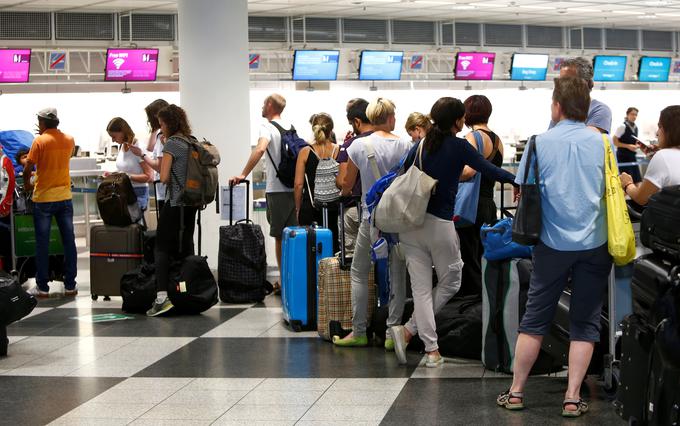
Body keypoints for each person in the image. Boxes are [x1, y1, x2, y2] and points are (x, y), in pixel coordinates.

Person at [496, 77, 611, 418]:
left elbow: (525, 190)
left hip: (550, 242)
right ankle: (573, 397)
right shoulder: (603, 144)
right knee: (585, 321)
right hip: (595, 241)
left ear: (557, 107)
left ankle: (516, 392)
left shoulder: (538, 142)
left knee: (534, 318)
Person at [389, 97, 517, 367]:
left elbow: (399, 173)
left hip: (411, 224)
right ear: (458, 120)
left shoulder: (421, 144)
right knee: (452, 278)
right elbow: (488, 170)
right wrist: (518, 180)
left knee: (421, 289)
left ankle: (428, 348)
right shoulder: (459, 146)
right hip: (440, 224)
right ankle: (412, 333)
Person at [334, 97, 411, 348]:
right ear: (390, 118)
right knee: (397, 273)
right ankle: (392, 334)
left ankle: (358, 332)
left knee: (359, 272)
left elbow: (347, 185)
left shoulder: (358, 146)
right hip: (397, 219)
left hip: (371, 218)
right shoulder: (405, 144)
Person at [229, 94, 297, 295]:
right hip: (293, 188)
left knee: (279, 237)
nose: (261, 106)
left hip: (277, 190)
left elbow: (260, 150)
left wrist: (243, 173)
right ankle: (295, 279)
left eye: (263, 103)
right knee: (293, 235)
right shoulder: (290, 126)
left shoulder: (266, 127)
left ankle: (284, 283)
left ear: (269, 105)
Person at [147, 104, 198, 317]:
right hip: (192, 203)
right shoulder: (191, 141)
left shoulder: (172, 144)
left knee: (161, 248)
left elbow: (165, 176)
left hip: (175, 203)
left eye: (162, 124)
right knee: (186, 246)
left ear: (168, 123)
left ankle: (162, 297)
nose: (161, 128)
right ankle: (189, 291)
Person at [23, 108, 78, 298]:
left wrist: (27, 186)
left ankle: (42, 287)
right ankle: (70, 285)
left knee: (42, 244)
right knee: (69, 241)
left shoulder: (39, 141)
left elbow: (28, 168)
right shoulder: (69, 139)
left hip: (44, 199)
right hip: (64, 198)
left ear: (43, 122)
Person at [457, 95, 505, 297]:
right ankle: (486, 301)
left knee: (468, 257)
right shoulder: (498, 140)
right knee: (483, 254)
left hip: (470, 205)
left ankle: (472, 303)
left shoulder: (472, 137)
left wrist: (450, 174)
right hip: (487, 203)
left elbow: (469, 171)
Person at [294, 113, 340, 253]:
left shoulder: (305, 152)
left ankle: (311, 275)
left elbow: (298, 184)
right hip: (334, 209)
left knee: (310, 249)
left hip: (310, 208)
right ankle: (330, 275)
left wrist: (298, 209)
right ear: (331, 130)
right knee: (332, 249)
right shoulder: (339, 150)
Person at [620, 105, 680, 205]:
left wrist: (627, 184)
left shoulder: (663, 156)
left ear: (671, 130)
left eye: (660, 127)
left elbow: (641, 198)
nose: (657, 133)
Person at [336, 99, 374, 255]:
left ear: (357, 122)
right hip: (382, 210)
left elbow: (344, 181)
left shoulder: (350, 145)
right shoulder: (389, 141)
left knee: (352, 258)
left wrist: (342, 188)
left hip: (355, 208)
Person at [550, 57, 612, 134]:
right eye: (561, 80)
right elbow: (550, 137)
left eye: (567, 80)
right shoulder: (560, 107)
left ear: (584, 83)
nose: (562, 84)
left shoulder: (600, 110)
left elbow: (587, 139)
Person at [105, 117, 153, 211]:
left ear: (122, 132)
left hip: (137, 194)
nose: (113, 140)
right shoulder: (122, 146)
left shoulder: (139, 148)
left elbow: (150, 177)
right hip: (123, 192)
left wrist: (126, 176)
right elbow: (124, 171)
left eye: (114, 136)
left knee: (132, 224)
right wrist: (113, 175)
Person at [130, 99, 170, 210]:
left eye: (150, 118)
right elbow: (150, 147)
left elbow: (159, 167)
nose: (148, 120)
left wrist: (142, 155)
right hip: (163, 190)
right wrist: (155, 128)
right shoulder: (160, 135)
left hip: (165, 191)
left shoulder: (164, 138)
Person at [613, 107, 641, 183]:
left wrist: (637, 146)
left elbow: (632, 141)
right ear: (627, 114)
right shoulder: (622, 127)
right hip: (623, 157)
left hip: (632, 157)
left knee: (637, 181)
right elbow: (614, 141)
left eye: (636, 115)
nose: (634, 116)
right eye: (632, 114)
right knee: (625, 184)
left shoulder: (636, 127)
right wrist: (628, 146)